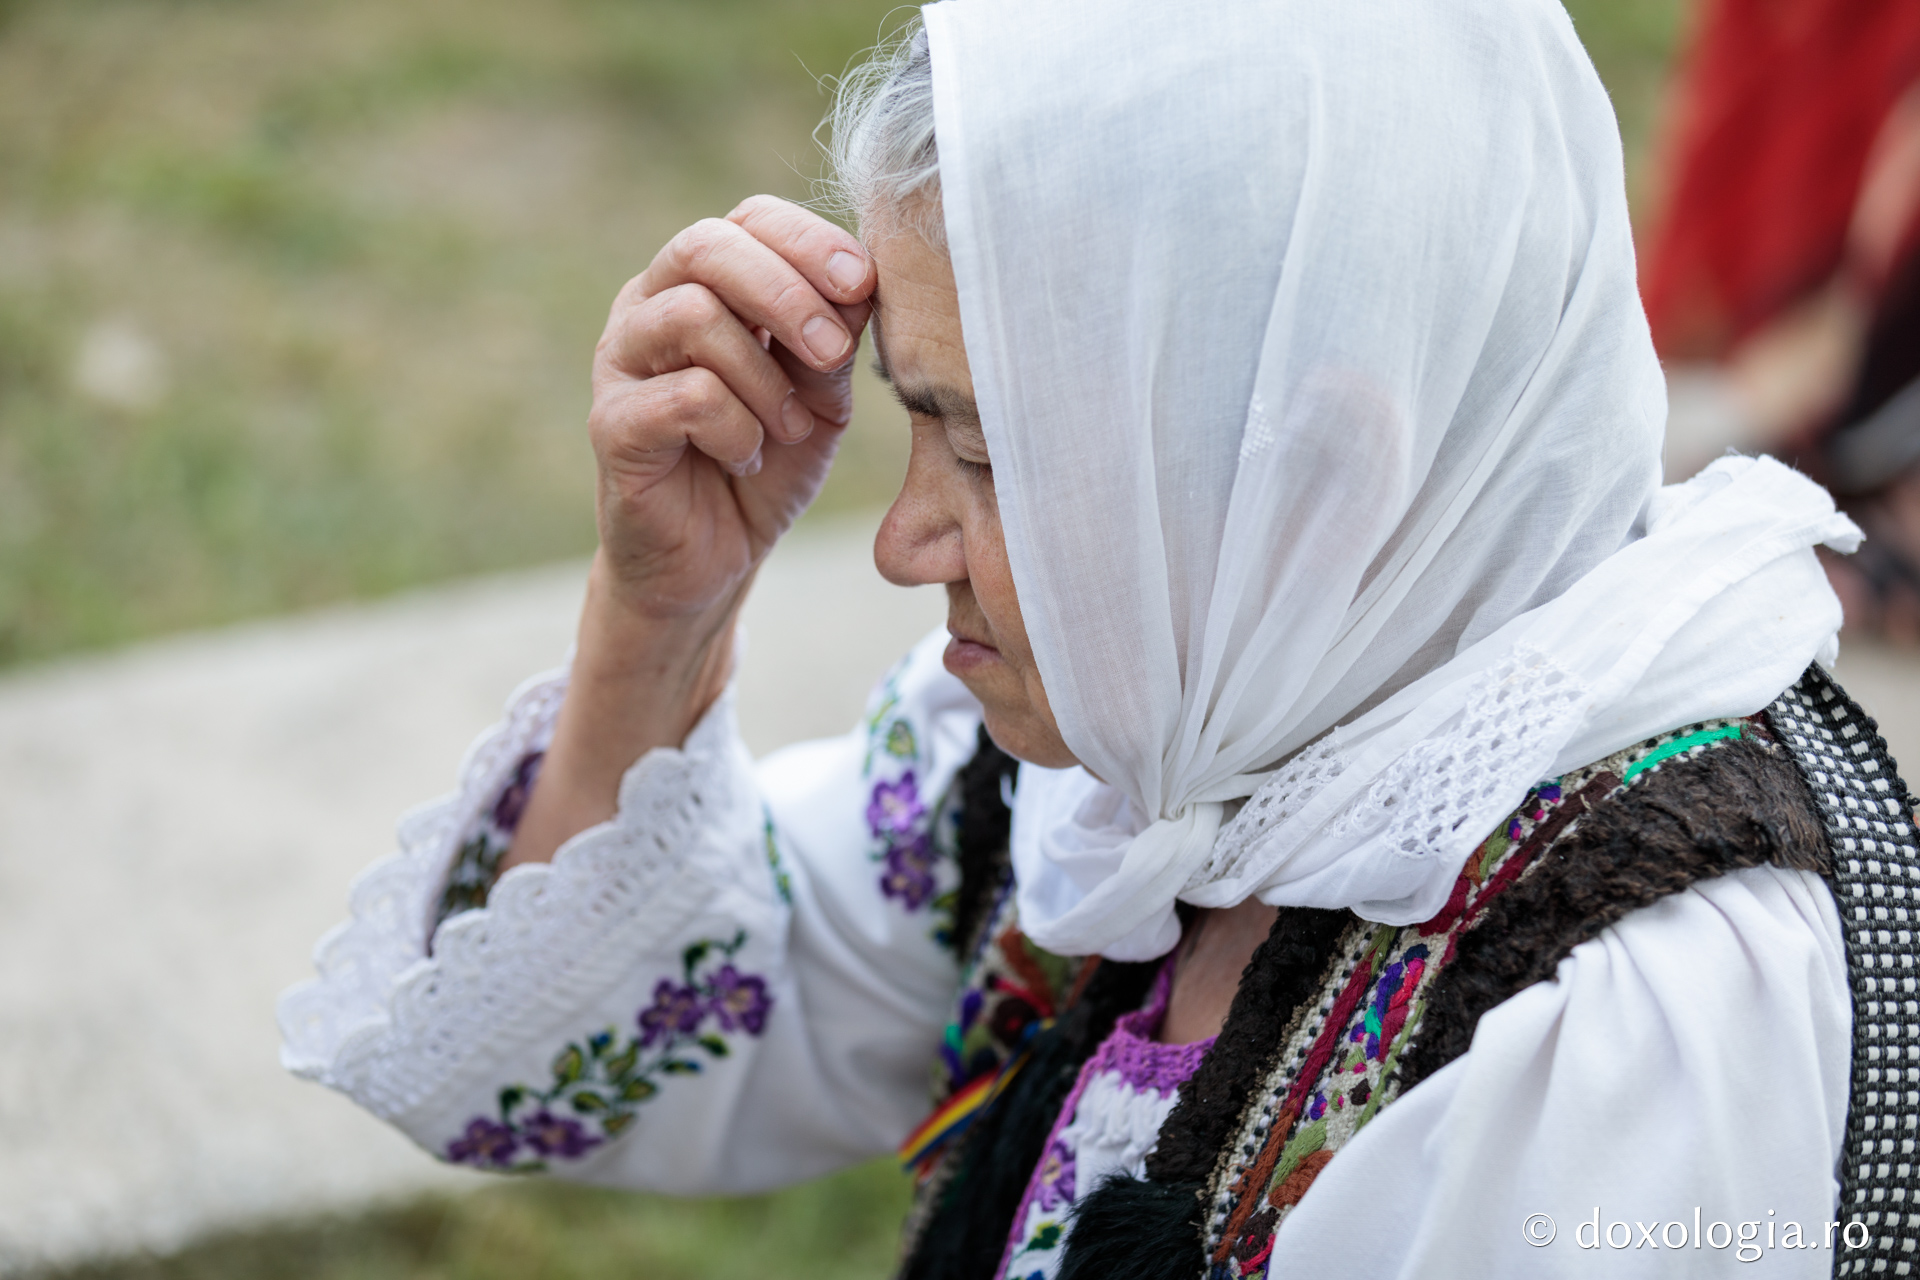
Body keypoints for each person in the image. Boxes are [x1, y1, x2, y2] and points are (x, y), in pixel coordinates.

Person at [281, 0, 1895, 1274]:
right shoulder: (1128, 751)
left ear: (1323, 463)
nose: (904, 543)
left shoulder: (1627, 1040)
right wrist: (661, 614)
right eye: (920, 423)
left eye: (988, 454)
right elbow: (581, 1057)